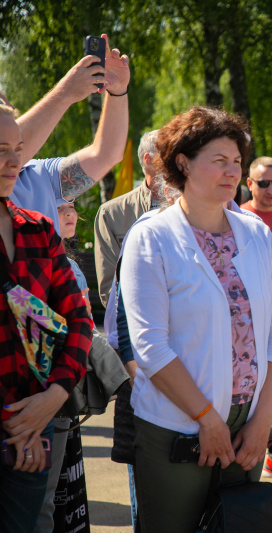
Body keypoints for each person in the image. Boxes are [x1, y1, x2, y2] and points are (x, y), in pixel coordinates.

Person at [120, 106, 272, 532]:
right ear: (183, 163)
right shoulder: (151, 236)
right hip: (176, 428)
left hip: (246, 428)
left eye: (237, 161)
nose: (233, 171)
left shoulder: (256, 233)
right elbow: (150, 346)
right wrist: (207, 421)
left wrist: (263, 419)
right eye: (219, 161)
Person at [0, 104, 93, 533]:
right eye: (1, 150)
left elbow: (79, 322)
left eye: (18, 149)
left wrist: (52, 400)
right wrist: (21, 424)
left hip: (35, 433)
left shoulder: (39, 228)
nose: (15, 162)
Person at [9, 34, 129, 231]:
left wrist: (117, 91)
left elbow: (106, 155)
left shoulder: (40, 175)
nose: (12, 122)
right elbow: (11, 147)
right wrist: (65, 92)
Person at [34, 202, 94, 533]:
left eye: (72, 206)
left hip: (56, 396)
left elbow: (78, 328)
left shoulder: (66, 263)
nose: (70, 214)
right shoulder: (37, 259)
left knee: (46, 498)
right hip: (43, 394)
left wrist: (59, 390)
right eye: (60, 207)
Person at [94, 130, 160, 307]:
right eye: (170, 154)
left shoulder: (192, 206)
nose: (179, 162)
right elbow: (109, 286)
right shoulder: (112, 213)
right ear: (149, 160)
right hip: (133, 325)